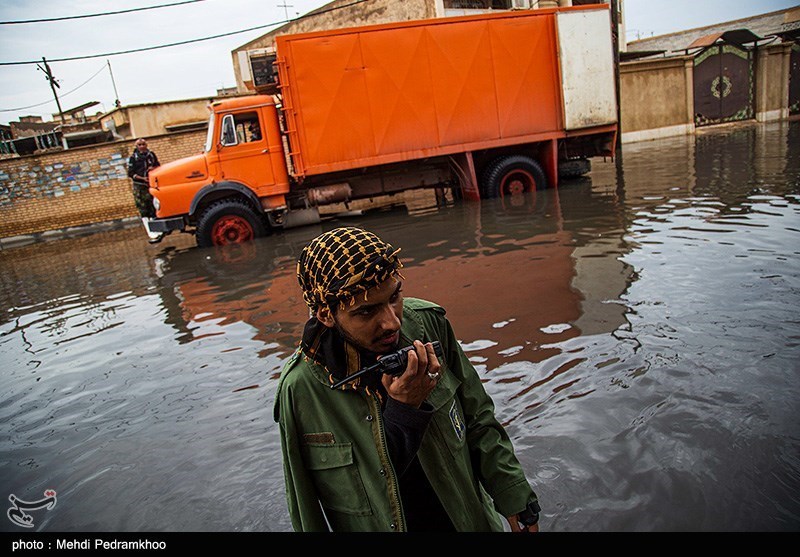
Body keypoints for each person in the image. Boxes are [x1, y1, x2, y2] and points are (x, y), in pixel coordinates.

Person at [274, 226, 541, 532]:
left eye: (395, 296)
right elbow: (306, 508)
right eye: (366, 311)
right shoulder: (301, 389)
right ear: (325, 314)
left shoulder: (427, 325)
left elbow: (478, 417)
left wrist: (513, 494)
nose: (391, 321)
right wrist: (403, 411)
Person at [127, 138, 163, 244]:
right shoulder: (134, 158)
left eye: (143, 144)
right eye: (139, 145)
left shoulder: (151, 155)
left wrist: (153, 169)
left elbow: (158, 165)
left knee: (153, 206)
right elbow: (130, 173)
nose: (142, 146)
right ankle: (150, 232)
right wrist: (142, 178)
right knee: (143, 209)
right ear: (136, 147)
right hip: (140, 186)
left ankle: (158, 230)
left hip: (150, 185)